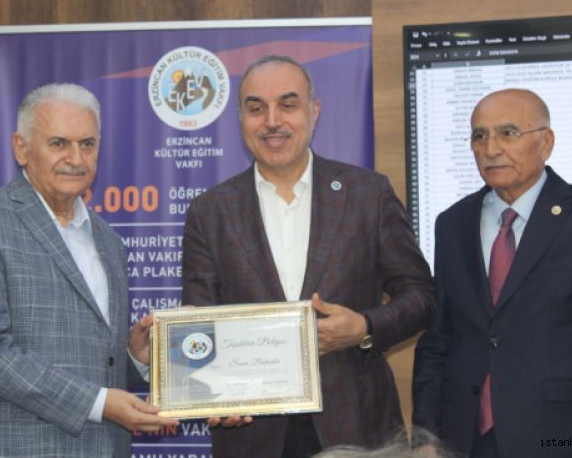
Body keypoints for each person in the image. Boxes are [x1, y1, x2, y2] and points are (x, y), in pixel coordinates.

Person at [181, 55, 436, 457]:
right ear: (241, 118)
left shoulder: (368, 195)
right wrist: (211, 394)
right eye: (256, 108)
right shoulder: (210, 211)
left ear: (313, 111)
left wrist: (365, 326)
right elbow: (198, 323)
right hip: (252, 434)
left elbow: (422, 296)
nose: (272, 121)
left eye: (288, 104)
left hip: (356, 427)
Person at [0, 83, 177, 457]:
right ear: (21, 148)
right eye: (58, 143)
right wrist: (99, 403)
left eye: (88, 144)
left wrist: (133, 356)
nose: (76, 158)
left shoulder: (108, 240)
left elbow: (94, 363)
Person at [412, 88, 572, 458]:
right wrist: (425, 438)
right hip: (465, 441)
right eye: (479, 135)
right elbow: (438, 342)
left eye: (508, 133)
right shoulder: (452, 223)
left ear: (546, 142)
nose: (491, 149)